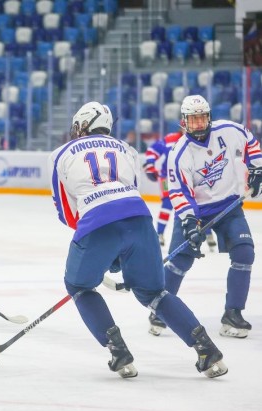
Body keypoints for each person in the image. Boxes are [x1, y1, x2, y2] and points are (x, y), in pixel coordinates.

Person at [48, 101, 227, 379]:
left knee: (79, 285)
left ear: (83, 125)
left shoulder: (61, 154)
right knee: (155, 293)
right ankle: (207, 350)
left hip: (97, 223)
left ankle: (119, 354)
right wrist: (122, 247)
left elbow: (67, 212)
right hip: (140, 219)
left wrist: (104, 249)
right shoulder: (127, 150)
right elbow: (132, 191)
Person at [157, 94, 260, 339]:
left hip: (229, 206)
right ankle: (160, 309)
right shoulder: (179, 153)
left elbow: (251, 142)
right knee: (180, 261)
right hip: (197, 212)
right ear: (184, 122)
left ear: (209, 117)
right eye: (193, 120)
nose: (198, 124)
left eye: (202, 118)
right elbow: (179, 192)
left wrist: (257, 167)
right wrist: (190, 221)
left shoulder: (229, 130)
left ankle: (232, 313)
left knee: (244, 252)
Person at [143, 131, 216, 248]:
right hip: (168, 177)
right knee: (167, 203)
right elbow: (152, 150)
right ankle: (159, 234)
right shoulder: (170, 138)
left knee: (198, 203)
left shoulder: (199, 140)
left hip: (190, 177)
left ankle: (207, 233)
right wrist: (149, 164)